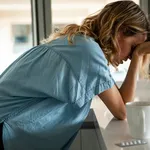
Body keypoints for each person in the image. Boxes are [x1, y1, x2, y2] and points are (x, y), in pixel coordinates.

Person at [0, 0, 150, 149]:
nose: (131, 56)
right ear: (120, 30)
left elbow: (122, 103)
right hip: (4, 127)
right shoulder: (88, 52)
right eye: (134, 46)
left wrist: (137, 54)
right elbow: (122, 111)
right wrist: (138, 56)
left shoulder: (83, 44)